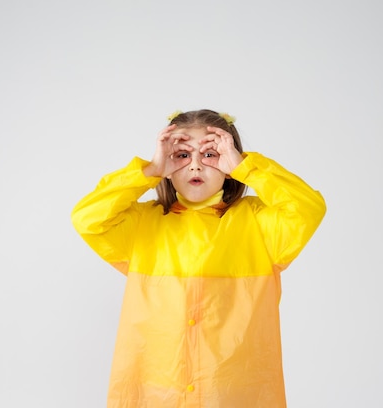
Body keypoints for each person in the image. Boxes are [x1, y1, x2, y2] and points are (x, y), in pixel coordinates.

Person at [71, 109, 326, 407]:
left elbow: (307, 208)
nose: (195, 166)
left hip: (232, 392)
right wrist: (149, 171)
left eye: (210, 154)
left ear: (230, 164)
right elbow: (87, 218)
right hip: (156, 391)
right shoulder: (142, 225)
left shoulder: (260, 224)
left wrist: (248, 168)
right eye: (181, 155)